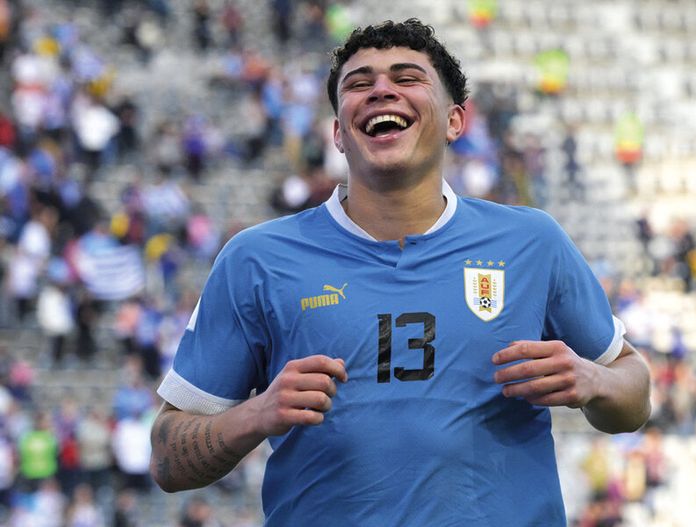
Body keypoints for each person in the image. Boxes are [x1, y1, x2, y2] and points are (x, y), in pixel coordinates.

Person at [149, 19, 651, 525]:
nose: (381, 90)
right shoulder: (255, 259)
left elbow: (633, 392)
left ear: (456, 121)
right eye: (359, 83)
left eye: (407, 78)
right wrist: (255, 415)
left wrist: (594, 381)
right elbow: (168, 459)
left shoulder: (532, 242)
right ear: (338, 132)